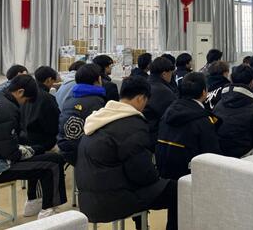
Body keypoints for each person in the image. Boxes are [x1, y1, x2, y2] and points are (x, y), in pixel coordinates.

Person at [76, 77, 178, 230]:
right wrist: (157, 177)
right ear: (140, 98)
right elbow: (142, 173)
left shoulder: (100, 117)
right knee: (179, 191)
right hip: (113, 201)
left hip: (88, 201)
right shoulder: (131, 124)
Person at [0, 75, 67, 219]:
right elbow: (10, 153)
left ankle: (33, 203)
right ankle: (48, 212)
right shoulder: (6, 109)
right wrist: (34, 149)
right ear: (20, 92)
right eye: (26, 100)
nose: (24, 104)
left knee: (42, 157)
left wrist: (32, 150)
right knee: (52, 163)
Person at [156, 72, 221, 180]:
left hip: (164, 175)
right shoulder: (203, 120)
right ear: (204, 92)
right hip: (191, 178)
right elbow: (212, 156)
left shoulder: (168, 112)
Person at [57, 64, 106, 165]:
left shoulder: (71, 97)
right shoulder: (96, 101)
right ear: (98, 79)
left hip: (65, 146)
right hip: (82, 153)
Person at [20, 66, 60, 151]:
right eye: (53, 82)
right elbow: (54, 125)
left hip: (22, 138)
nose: (52, 85)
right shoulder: (48, 98)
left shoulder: (24, 93)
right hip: (42, 142)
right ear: (49, 80)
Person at [143, 57, 178, 147]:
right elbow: (172, 117)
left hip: (143, 132)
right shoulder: (164, 92)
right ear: (164, 74)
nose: (172, 76)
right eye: (171, 73)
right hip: (156, 138)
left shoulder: (145, 84)